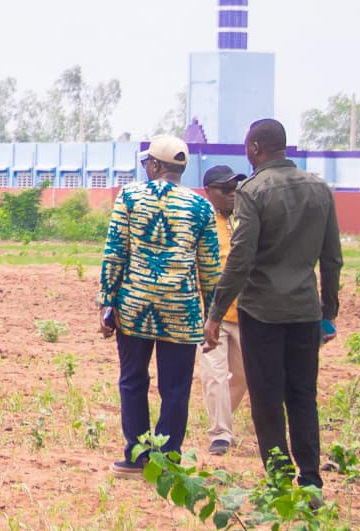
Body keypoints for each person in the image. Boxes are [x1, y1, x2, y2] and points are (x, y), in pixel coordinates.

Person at [205, 118, 344, 491]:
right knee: (303, 396)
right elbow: (332, 259)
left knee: (267, 399)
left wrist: (216, 312)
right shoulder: (320, 189)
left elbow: (240, 258)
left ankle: (280, 483)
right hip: (305, 312)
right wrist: (328, 313)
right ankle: (311, 481)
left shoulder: (253, 191)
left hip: (261, 313)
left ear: (255, 148)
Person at [99, 134, 222, 477]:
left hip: (135, 307)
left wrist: (106, 302)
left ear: (154, 165)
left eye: (146, 163)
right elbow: (210, 268)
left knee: (133, 380)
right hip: (182, 311)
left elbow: (115, 252)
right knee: (175, 388)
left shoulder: (130, 197)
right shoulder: (201, 207)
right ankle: (167, 460)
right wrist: (213, 316)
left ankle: (137, 457)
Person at [197, 165, 249, 456]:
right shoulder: (202, 223)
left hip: (244, 313)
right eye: (225, 189)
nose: (232, 194)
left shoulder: (247, 220)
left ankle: (223, 419)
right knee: (214, 375)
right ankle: (220, 434)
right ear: (209, 192)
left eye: (234, 189)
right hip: (211, 315)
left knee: (242, 377)